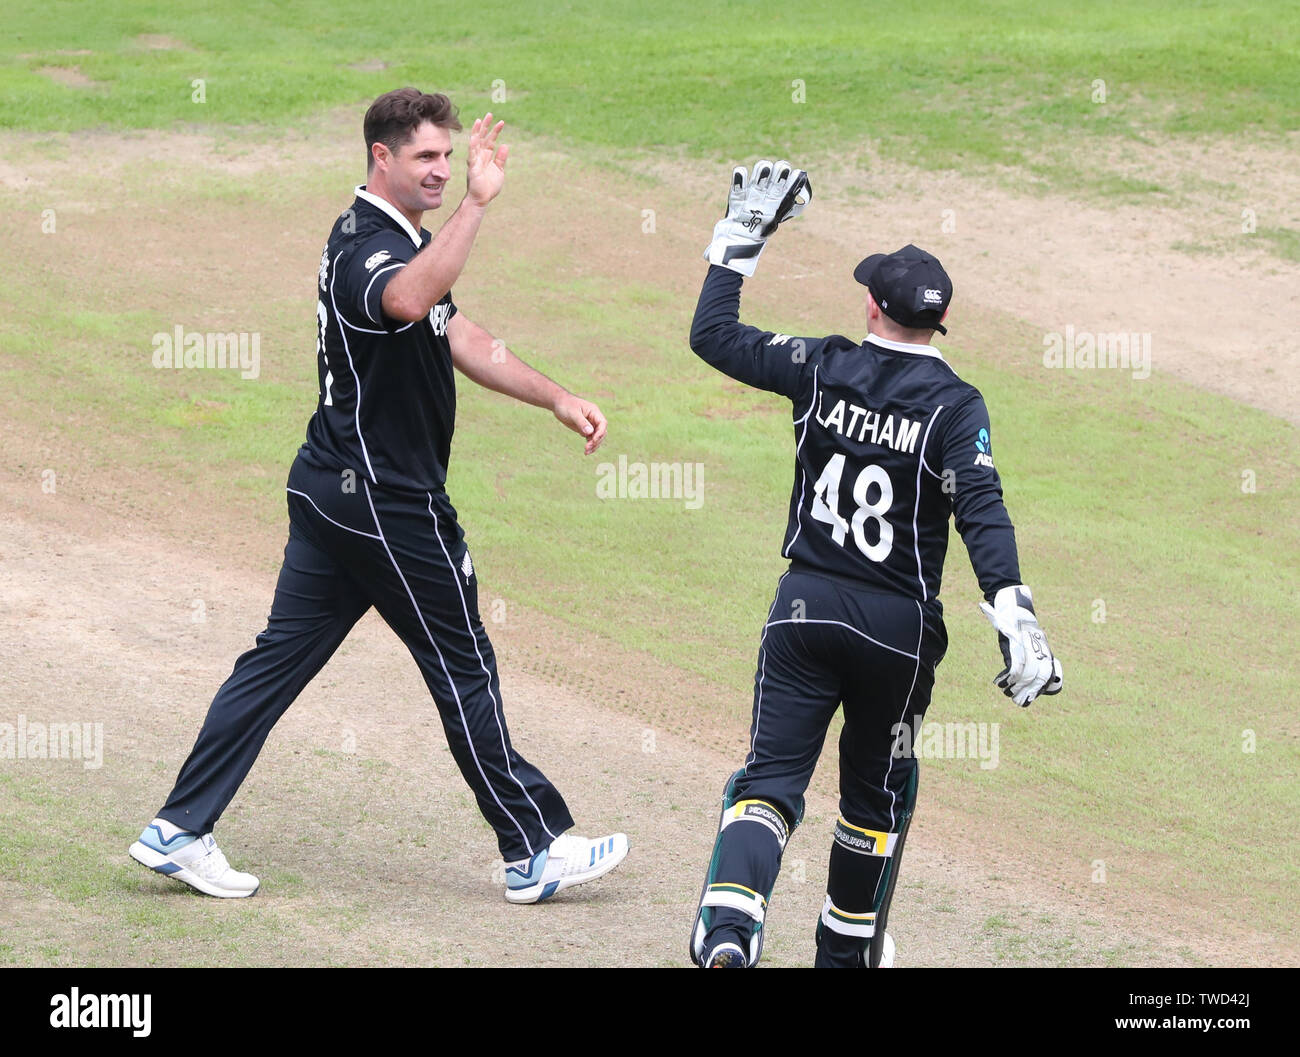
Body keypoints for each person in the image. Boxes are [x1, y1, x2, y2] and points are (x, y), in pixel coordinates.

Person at [129, 88, 628, 906]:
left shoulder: (404, 242)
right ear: (382, 159)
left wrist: (554, 396)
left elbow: (453, 328)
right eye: (427, 157)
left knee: (273, 666)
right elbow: (405, 300)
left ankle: (178, 828)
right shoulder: (368, 249)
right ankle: (533, 847)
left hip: (332, 494)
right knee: (463, 660)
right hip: (385, 505)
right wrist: (476, 203)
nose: (443, 169)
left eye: (448, 155)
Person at [687, 161, 1062, 968]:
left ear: (870, 306)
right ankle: (845, 952)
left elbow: (712, 334)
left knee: (770, 782)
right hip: (898, 633)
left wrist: (740, 240)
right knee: (875, 799)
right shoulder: (957, 407)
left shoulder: (820, 366)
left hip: (806, 610)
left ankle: (728, 933)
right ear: (942, 319)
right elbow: (981, 510)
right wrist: (1013, 610)